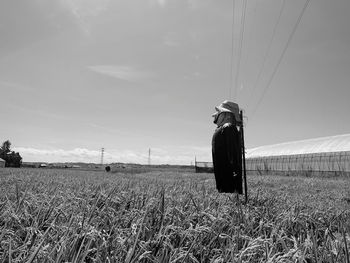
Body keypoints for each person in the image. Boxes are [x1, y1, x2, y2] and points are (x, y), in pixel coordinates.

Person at [212, 100, 243, 194]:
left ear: (227, 115)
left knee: (228, 189)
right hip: (224, 177)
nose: (215, 115)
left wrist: (235, 170)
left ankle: (232, 192)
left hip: (229, 181)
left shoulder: (228, 128)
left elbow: (233, 153)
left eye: (219, 113)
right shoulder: (224, 129)